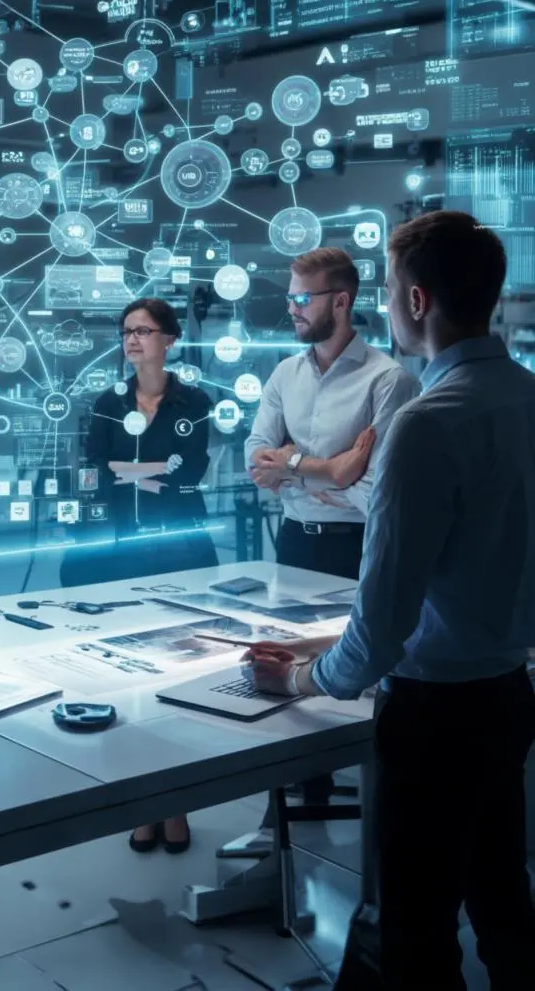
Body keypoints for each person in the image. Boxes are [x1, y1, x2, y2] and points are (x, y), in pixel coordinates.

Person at [247, 212, 535, 990]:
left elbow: (380, 632)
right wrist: (330, 468)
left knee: (414, 926)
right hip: (510, 694)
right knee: (506, 904)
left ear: (415, 299)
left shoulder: (422, 421)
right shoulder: (524, 397)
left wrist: (301, 680)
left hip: (435, 713)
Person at [244, 247, 417, 820]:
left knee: (355, 674)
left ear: (340, 301)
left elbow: (375, 493)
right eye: (289, 297)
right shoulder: (283, 373)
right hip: (294, 541)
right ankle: (288, 813)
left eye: (301, 298)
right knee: (282, 666)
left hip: (355, 547)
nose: (291, 309)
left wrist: (295, 466)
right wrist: (334, 468)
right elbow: (256, 461)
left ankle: (372, 814)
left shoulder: (389, 380)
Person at [83, 297, 217, 857]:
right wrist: (152, 473)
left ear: (170, 340)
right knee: (128, 682)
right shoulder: (105, 403)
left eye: (144, 330)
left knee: (177, 680)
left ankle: (177, 802)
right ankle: (143, 802)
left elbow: (192, 473)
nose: (133, 339)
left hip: (178, 553)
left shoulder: (196, 400)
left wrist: (134, 474)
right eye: (127, 331)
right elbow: (93, 471)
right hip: (118, 554)